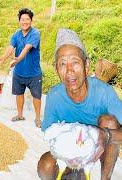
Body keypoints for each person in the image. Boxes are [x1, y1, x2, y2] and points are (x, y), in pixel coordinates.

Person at [37, 28, 122, 180]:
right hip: (73, 150)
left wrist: (106, 135)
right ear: (57, 69)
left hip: (99, 147)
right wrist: (72, 150)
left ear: (87, 66)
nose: (69, 71)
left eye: (75, 62)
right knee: (46, 166)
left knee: (109, 121)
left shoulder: (104, 92)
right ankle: (79, 172)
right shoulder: (54, 96)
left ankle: (105, 178)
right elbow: (49, 133)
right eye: (62, 64)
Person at [0, 8, 42, 127]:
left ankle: (37, 118)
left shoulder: (35, 33)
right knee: (19, 94)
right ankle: (20, 115)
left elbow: (27, 49)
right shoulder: (16, 34)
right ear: (19, 21)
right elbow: (11, 47)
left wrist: (17, 60)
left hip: (34, 73)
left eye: (27, 19)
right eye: (22, 19)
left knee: (36, 96)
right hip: (19, 72)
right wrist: (3, 58)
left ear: (31, 21)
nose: (25, 22)